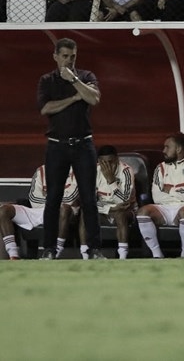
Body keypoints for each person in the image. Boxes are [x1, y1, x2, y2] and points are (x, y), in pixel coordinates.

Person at [36, 37, 104, 260]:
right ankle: (48, 249)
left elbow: (93, 99)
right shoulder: (47, 80)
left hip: (84, 144)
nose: (68, 60)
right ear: (55, 56)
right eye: (64, 56)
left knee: (88, 198)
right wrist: (76, 97)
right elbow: (46, 108)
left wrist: (74, 81)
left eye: (72, 56)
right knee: (54, 198)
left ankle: (94, 249)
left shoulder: (85, 76)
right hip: (57, 146)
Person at [136, 133, 184, 258]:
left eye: (167, 147)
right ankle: (157, 255)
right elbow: (157, 196)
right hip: (163, 208)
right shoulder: (160, 168)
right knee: (142, 212)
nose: (164, 151)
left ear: (178, 149)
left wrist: (170, 190)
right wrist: (183, 190)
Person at [0, 165, 78, 260]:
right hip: (39, 209)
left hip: (63, 211)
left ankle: (55, 252)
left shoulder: (77, 171)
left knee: (65, 208)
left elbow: (71, 198)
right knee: (4, 210)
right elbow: (34, 198)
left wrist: (48, 198)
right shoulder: (41, 170)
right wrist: (55, 201)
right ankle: (13, 254)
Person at [78, 145, 136, 260]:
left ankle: (123, 256)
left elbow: (124, 201)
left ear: (117, 159)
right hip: (106, 210)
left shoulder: (126, 171)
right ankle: (85, 255)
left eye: (111, 162)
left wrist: (111, 181)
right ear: (99, 161)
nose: (108, 166)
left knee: (120, 214)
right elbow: (89, 202)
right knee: (86, 213)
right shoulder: (94, 171)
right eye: (104, 163)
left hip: (127, 211)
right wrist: (110, 209)